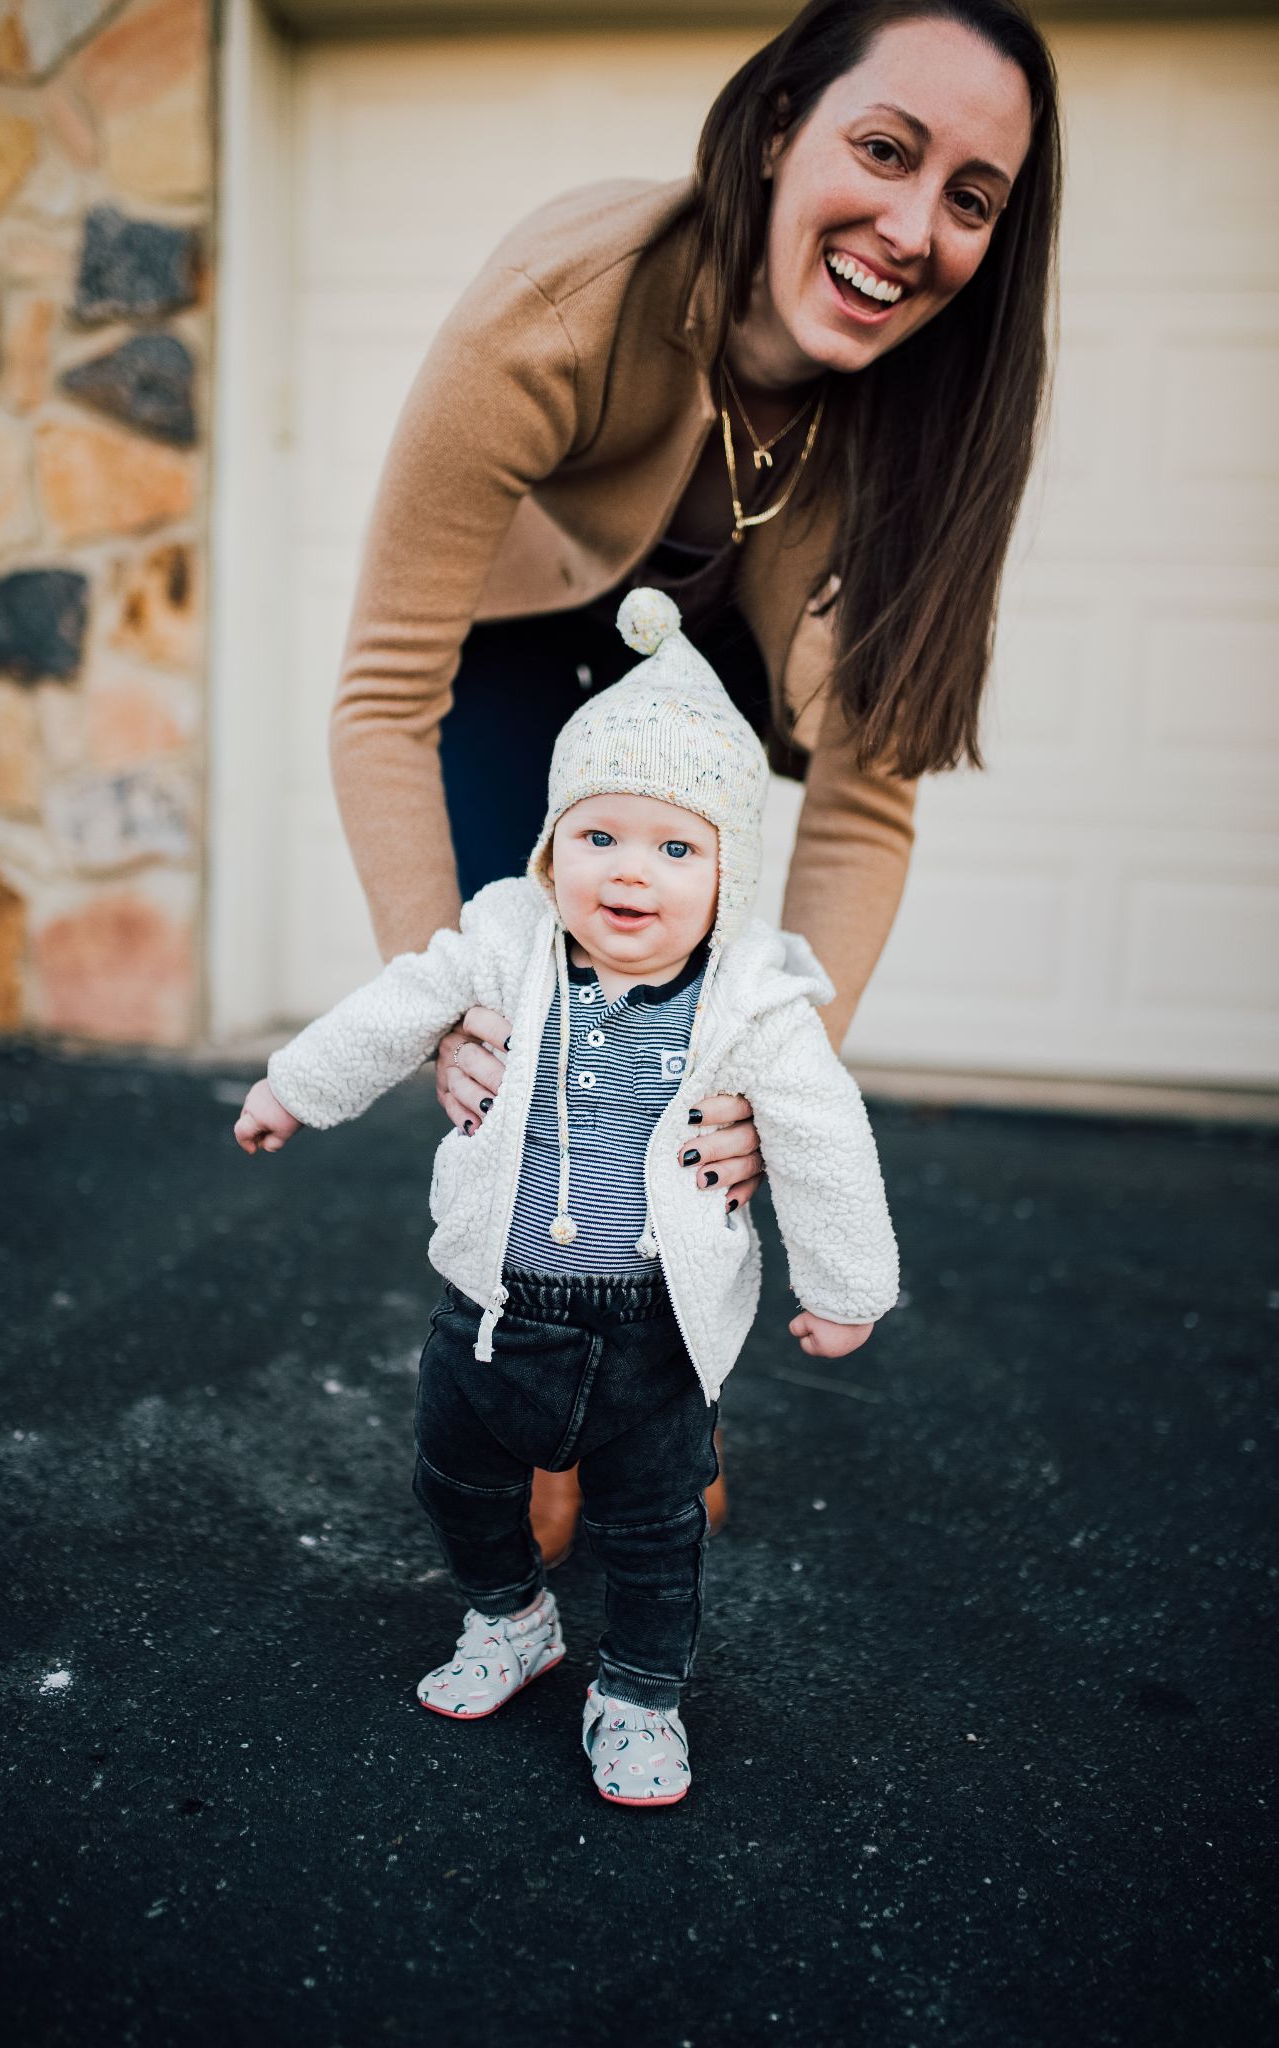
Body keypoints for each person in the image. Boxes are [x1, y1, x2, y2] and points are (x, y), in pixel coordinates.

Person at [325, 0, 1060, 1559]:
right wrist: (447, 993)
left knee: (676, 1058)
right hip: (520, 647)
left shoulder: (939, 424)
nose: (910, 229)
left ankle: (654, 1402)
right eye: (882, 150)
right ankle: (525, 1398)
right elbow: (386, 695)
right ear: (781, 118)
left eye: (970, 198)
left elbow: (863, 799)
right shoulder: (562, 303)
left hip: (716, 684)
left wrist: (765, 1078)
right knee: (528, 1026)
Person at [235, 590, 899, 1806]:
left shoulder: (751, 1001)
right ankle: (511, 1618)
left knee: (654, 1530)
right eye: (598, 838)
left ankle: (640, 1693)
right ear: (552, 851)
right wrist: (295, 1085)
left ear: (728, 876)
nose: (629, 871)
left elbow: (822, 1131)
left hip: (653, 1333)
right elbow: (395, 1002)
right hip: (491, 1310)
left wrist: (848, 1284)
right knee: (455, 1479)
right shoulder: (503, 940)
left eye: (675, 847)